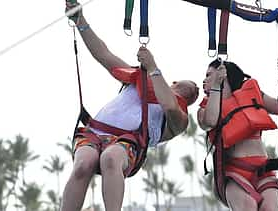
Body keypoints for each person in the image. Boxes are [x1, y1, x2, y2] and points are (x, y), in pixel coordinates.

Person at [62, 2, 199, 211]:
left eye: (196, 93)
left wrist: (152, 67)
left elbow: (170, 107)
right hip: (94, 132)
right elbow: (103, 55)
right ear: (174, 82)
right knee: (83, 165)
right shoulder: (136, 80)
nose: (196, 88)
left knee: (110, 158)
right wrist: (80, 20)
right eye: (192, 84)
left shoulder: (179, 119)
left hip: (128, 143)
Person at [197, 58, 278, 211]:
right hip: (234, 173)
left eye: (209, 75)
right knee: (247, 207)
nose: (204, 80)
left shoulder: (252, 95)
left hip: (263, 169)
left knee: (271, 208)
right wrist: (217, 85)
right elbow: (210, 121)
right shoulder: (204, 109)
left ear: (224, 74)